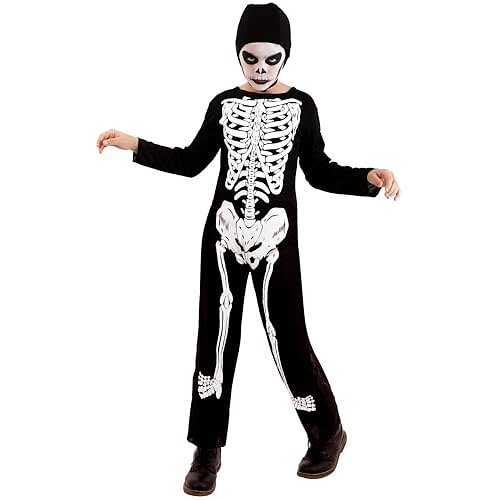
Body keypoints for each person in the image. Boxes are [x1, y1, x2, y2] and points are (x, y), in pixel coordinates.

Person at [96, 2, 400, 496]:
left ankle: (327, 431)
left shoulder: (302, 106)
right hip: (223, 231)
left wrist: (368, 177)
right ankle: (206, 447)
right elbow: (192, 161)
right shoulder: (222, 103)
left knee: (287, 334)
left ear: (286, 56)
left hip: (277, 234)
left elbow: (319, 171)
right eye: (250, 58)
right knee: (214, 335)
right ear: (237, 54)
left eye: (271, 59)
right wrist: (134, 144)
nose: (260, 69)